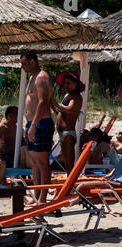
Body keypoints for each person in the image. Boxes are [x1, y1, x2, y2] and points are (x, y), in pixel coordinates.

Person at [21, 51, 54, 205]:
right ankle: (36, 195)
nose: (22, 67)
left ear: (33, 61)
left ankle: (43, 198)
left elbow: (43, 102)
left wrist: (33, 125)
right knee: (34, 162)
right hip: (32, 122)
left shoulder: (42, 77)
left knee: (42, 162)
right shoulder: (32, 77)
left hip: (40, 122)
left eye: (24, 63)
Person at [53, 71, 83, 169]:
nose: (65, 85)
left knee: (69, 163)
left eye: (68, 83)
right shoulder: (68, 95)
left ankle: (70, 182)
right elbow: (60, 112)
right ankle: (69, 180)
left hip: (68, 133)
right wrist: (51, 102)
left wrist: (57, 104)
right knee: (66, 162)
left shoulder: (76, 97)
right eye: (64, 83)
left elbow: (70, 110)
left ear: (75, 83)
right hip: (64, 133)